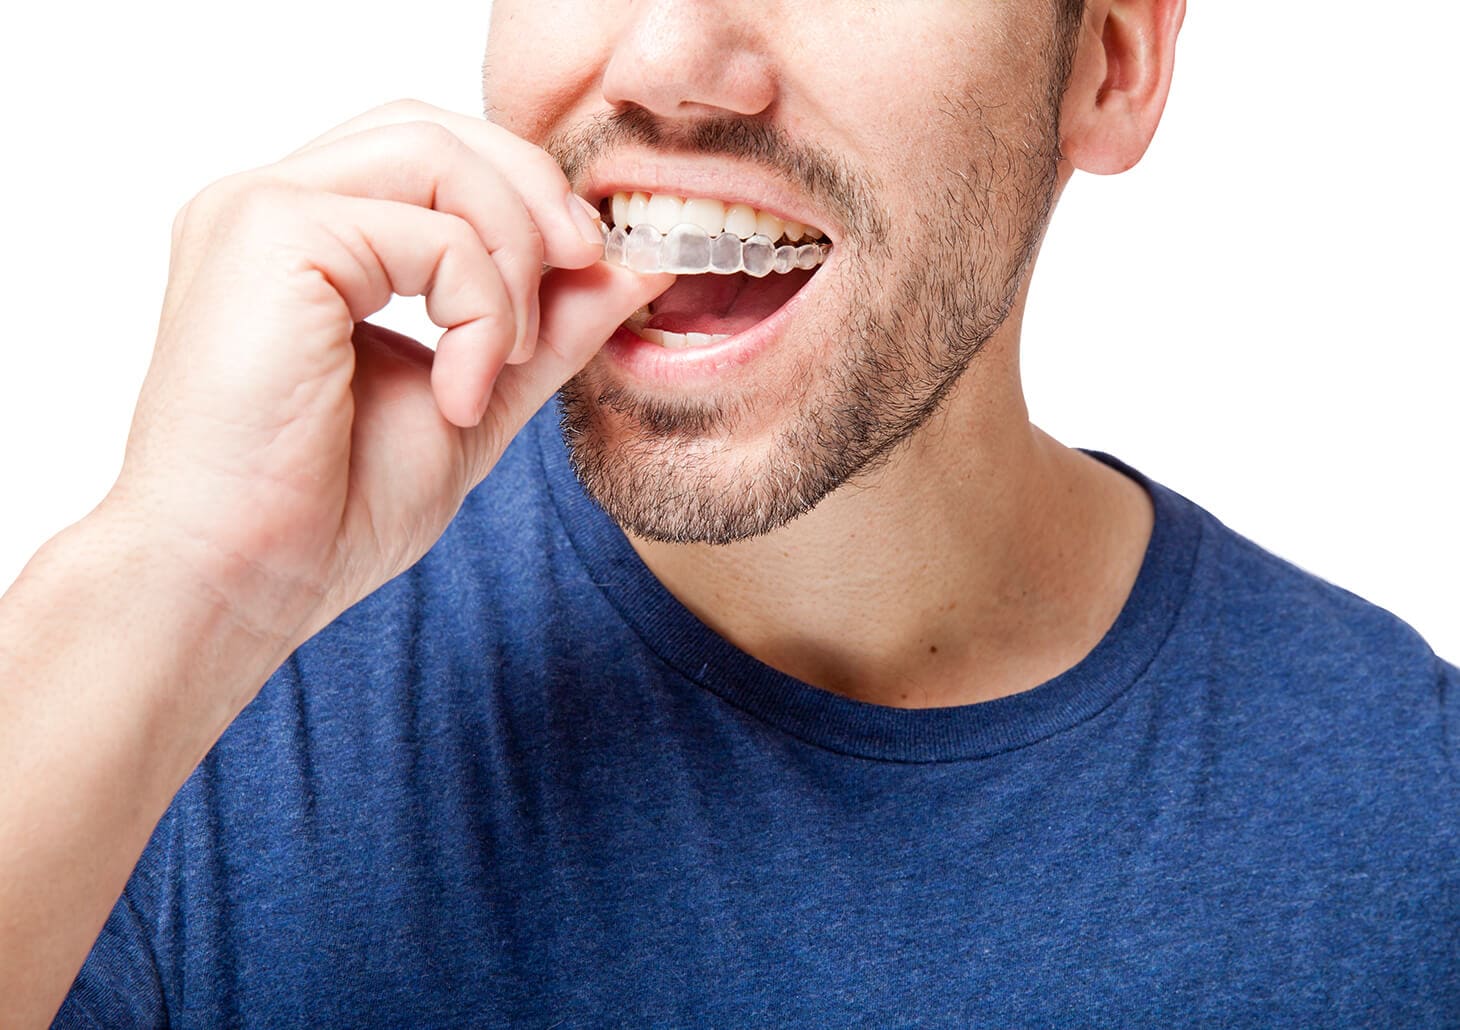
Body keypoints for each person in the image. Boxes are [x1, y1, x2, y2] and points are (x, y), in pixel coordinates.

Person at [1, 0, 1454, 1024]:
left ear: (1114, 65)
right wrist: (166, 574)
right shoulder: (180, 714)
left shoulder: (1414, 828)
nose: (674, 61)